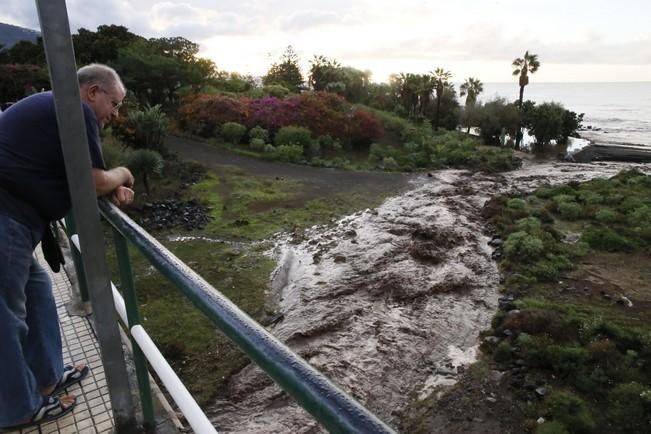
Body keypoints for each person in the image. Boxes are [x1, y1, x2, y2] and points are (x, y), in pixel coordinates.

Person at [0, 64, 135, 430]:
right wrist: (121, 174)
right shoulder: (74, 112)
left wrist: (107, 184)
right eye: (115, 103)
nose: (114, 114)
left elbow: (82, 177)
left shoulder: (55, 107)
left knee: (39, 291)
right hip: (6, 219)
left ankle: (48, 377)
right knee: (6, 317)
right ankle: (17, 409)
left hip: (16, 220)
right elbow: (91, 181)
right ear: (93, 92)